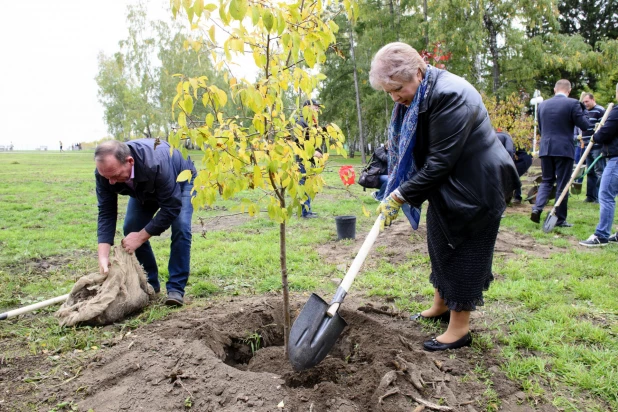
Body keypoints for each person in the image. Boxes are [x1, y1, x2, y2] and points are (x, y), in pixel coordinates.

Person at [369, 42, 519, 352]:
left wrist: (398, 196)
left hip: (477, 186)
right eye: (389, 92)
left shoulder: (451, 96)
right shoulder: (422, 93)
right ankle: (440, 306)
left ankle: (459, 329)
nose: (395, 97)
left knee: (463, 251)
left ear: (419, 73)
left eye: (398, 88)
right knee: (439, 243)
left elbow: (440, 162)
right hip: (449, 184)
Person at [94, 138, 196, 306]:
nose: (110, 182)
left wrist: (141, 237)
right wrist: (103, 256)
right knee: (131, 227)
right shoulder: (105, 174)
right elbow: (106, 211)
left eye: (115, 176)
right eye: (107, 177)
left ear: (130, 161)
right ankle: (150, 284)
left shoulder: (155, 163)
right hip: (144, 188)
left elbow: (171, 207)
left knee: (181, 227)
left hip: (182, 180)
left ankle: (176, 289)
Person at [530, 80, 590, 227]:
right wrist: (584, 111)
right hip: (563, 149)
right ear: (568, 91)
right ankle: (560, 218)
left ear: (555, 89)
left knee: (547, 180)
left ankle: (537, 208)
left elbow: (542, 129)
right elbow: (585, 125)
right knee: (562, 183)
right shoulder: (573, 104)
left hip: (546, 147)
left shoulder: (543, 105)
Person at [579, 85, 617, 246]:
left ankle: (601, 235)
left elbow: (604, 133)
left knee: (606, 194)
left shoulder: (616, 112)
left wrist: (596, 135)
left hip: (616, 158)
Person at [295, 99, 324, 218]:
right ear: (307, 108)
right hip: (302, 160)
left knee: (308, 185)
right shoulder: (300, 122)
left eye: (318, 107)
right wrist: (312, 154)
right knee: (303, 185)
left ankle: (307, 210)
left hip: (310, 161)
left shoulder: (312, 123)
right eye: (315, 107)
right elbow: (298, 143)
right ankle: (305, 212)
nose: (317, 109)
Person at [580, 92, 606, 202]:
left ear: (592, 99)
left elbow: (602, 127)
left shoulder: (600, 110)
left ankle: (600, 197)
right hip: (587, 145)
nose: (585, 104)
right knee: (590, 171)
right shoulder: (585, 112)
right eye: (583, 102)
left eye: (587, 101)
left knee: (599, 171)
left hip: (597, 146)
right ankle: (590, 196)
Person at [496, 129, 529, 204]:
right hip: (515, 158)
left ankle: (517, 198)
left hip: (524, 159)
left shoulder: (506, 137)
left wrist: (508, 164)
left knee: (513, 176)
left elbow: (509, 150)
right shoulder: (500, 136)